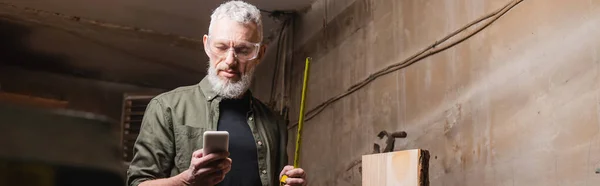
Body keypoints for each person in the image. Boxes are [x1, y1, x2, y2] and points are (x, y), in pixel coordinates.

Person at [126, 1, 307, 186]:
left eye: (243, 50)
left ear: (260, 54)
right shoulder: (166, 108)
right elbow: (138, 183)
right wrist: (187, 181)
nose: (230, 61)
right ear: (206, 45)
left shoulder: (273, 122)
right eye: (221, 47)